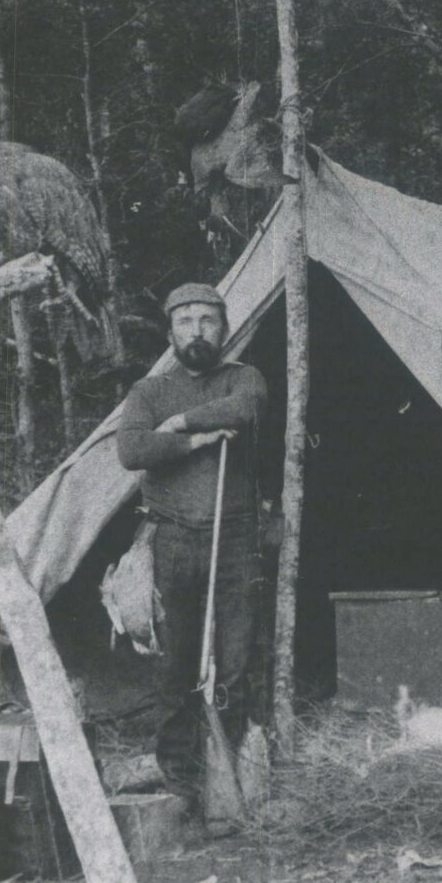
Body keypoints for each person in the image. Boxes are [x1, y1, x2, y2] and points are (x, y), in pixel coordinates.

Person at [115, 283, 270, 823]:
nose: (197, 331)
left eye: (208, 320)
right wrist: (194, 442)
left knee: (236, 661)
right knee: (175, 668)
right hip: (173, 540)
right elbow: (132, 449)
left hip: (236, 540)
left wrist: (180, 423)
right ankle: (182, 782)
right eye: (186, 321)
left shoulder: (242, 377)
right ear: (170, 331)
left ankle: (231, 777)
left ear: (223, 329)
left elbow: (246, 408)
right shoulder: (149, 390)